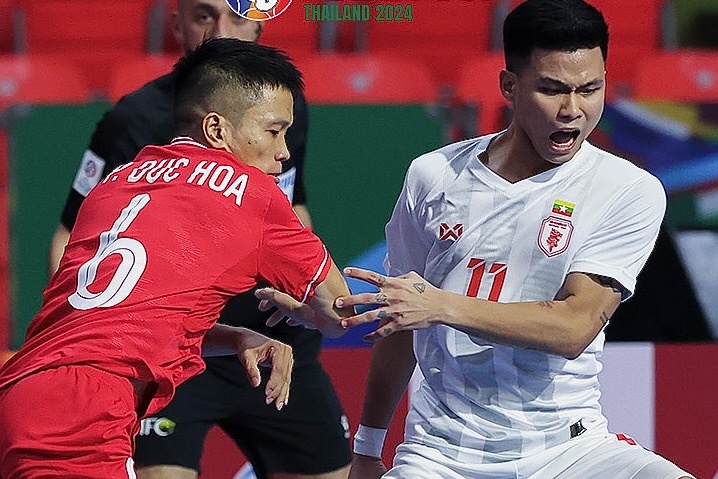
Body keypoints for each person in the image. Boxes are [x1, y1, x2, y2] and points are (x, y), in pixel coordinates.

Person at [262, 1, 697, 478]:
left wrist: (441, 305)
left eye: (589, 89)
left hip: (571, 452)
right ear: (510, 86)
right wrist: (367, 447)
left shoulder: (629, 189)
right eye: (552, 90)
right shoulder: (432, 176)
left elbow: (574, 328)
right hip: (441, 455)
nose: (573, 110)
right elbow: (401, 320)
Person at [0, 38, 355, 478]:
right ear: (217, 129)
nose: (284, 150)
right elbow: (340, 311)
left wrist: (235, 336)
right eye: (273, 131)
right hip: (92, 404)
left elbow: (127, 318)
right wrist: (309, 314)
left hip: (24, 387)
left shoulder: (117, 182)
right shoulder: (253, 193)